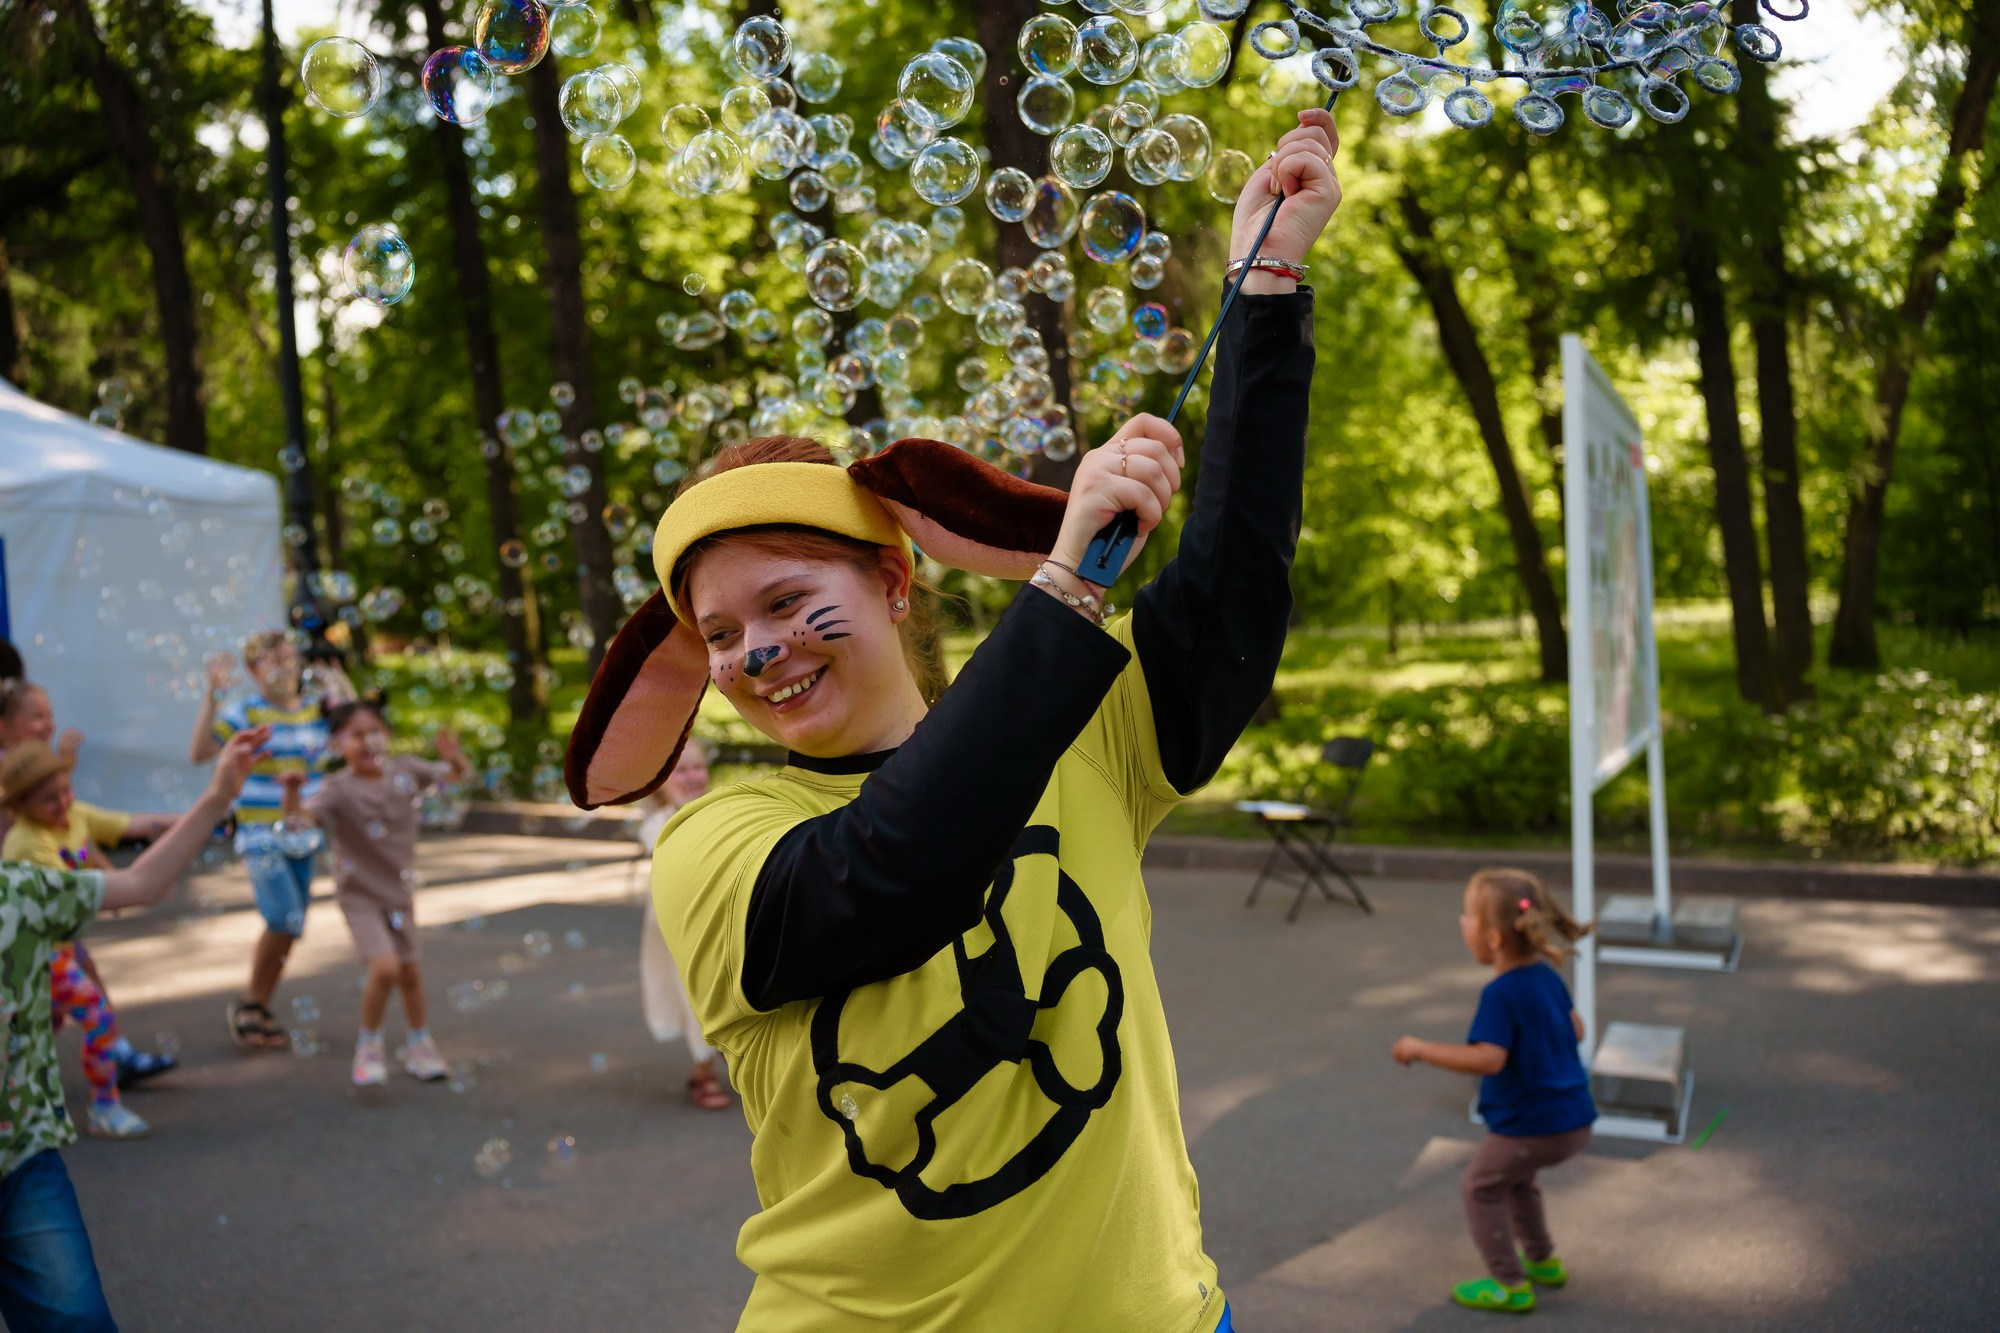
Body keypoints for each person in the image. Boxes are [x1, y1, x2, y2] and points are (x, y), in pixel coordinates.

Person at [562, 112, 1338, 1331]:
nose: (755, 651)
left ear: (890, 580)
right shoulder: (713, 846)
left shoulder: (1077, 726)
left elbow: (1230, 597)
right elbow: (890, 874)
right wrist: (1069, 585)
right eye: (717, 634)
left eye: (786, 601)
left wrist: (1265, 291)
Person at [0, 725, 267, 1330]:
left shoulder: (18, 894)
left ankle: (107, 1096)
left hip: (18, 1159)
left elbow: (142, 882)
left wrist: (220, 793)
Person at [1392, 868, 1598, 1315]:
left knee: (1480, 1187)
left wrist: (1421, 1048)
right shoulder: (1545, 977)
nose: (1461, 923)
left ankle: (1509, 1282)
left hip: (1530, 1127)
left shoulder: (1501, 994)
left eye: (1467, 916)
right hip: (1574, 1119)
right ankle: (1542, 1260)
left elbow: (1489, 1059)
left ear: (1495, 939)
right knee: (1517, 1181)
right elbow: (1576, 1029)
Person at [276, 698, 469, 1087]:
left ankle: (420, 1045)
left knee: (410, 972)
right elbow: (297, 825)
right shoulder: (337, 789)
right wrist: (293, 792)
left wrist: (455, 758)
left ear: (388, 736)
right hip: (359, 896)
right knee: (385, 968)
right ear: (337, 745)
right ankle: (369, 1046)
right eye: (355, 734)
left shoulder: (408, 770)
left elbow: (458, 778)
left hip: (398, 892)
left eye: (374, 732)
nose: (367, 741)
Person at [0, 677, 179, 1097]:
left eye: (50, 715)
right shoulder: (19, 783)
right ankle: (103, 1089)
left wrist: (111, 879)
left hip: (51, 917)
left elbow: (75, 832)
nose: (47, 724)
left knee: (58, 1000)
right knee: (64, 1000)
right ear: (4, 727)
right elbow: (43, 842)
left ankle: (100, 1059)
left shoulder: (45, 774)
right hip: (25, 919)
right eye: (36, 716)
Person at [188, 631, 350, 1052]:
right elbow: (200, 751)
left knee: (291, 925)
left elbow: (353, 735)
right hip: (260, 835)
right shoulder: (246, 712)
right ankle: (248, 1004)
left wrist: (341, 687)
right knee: (283, 917)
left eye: (289, 657)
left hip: (302, 833)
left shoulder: (316, 712)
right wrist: (212, 695)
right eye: (273, 660)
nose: (285, 665)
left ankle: (257, 1004)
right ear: (253, 671)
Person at [634, 741, 732, 1110]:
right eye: (681, 770)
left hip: (719, 921)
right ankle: (703, 1069)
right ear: (660, 781)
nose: (692, 777)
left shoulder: (719, 809)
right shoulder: (658, 823)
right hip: (679, 929)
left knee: (725, 991)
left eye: (698, 768)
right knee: (695, 997)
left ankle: (723, 1053)